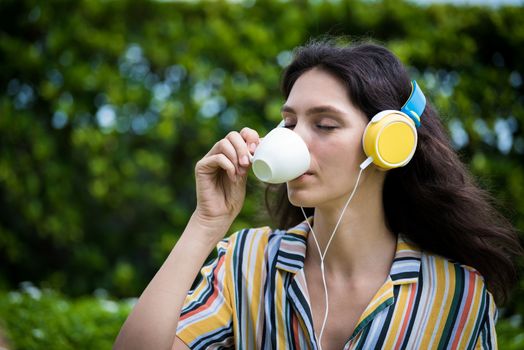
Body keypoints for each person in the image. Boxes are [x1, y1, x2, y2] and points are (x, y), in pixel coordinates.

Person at [114, 39, 523, 350]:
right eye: (288, 122)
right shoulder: (246, 262)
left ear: (388, 144)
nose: (293, 140)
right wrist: (205, 224)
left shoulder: (457, 295)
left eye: (324, 124)